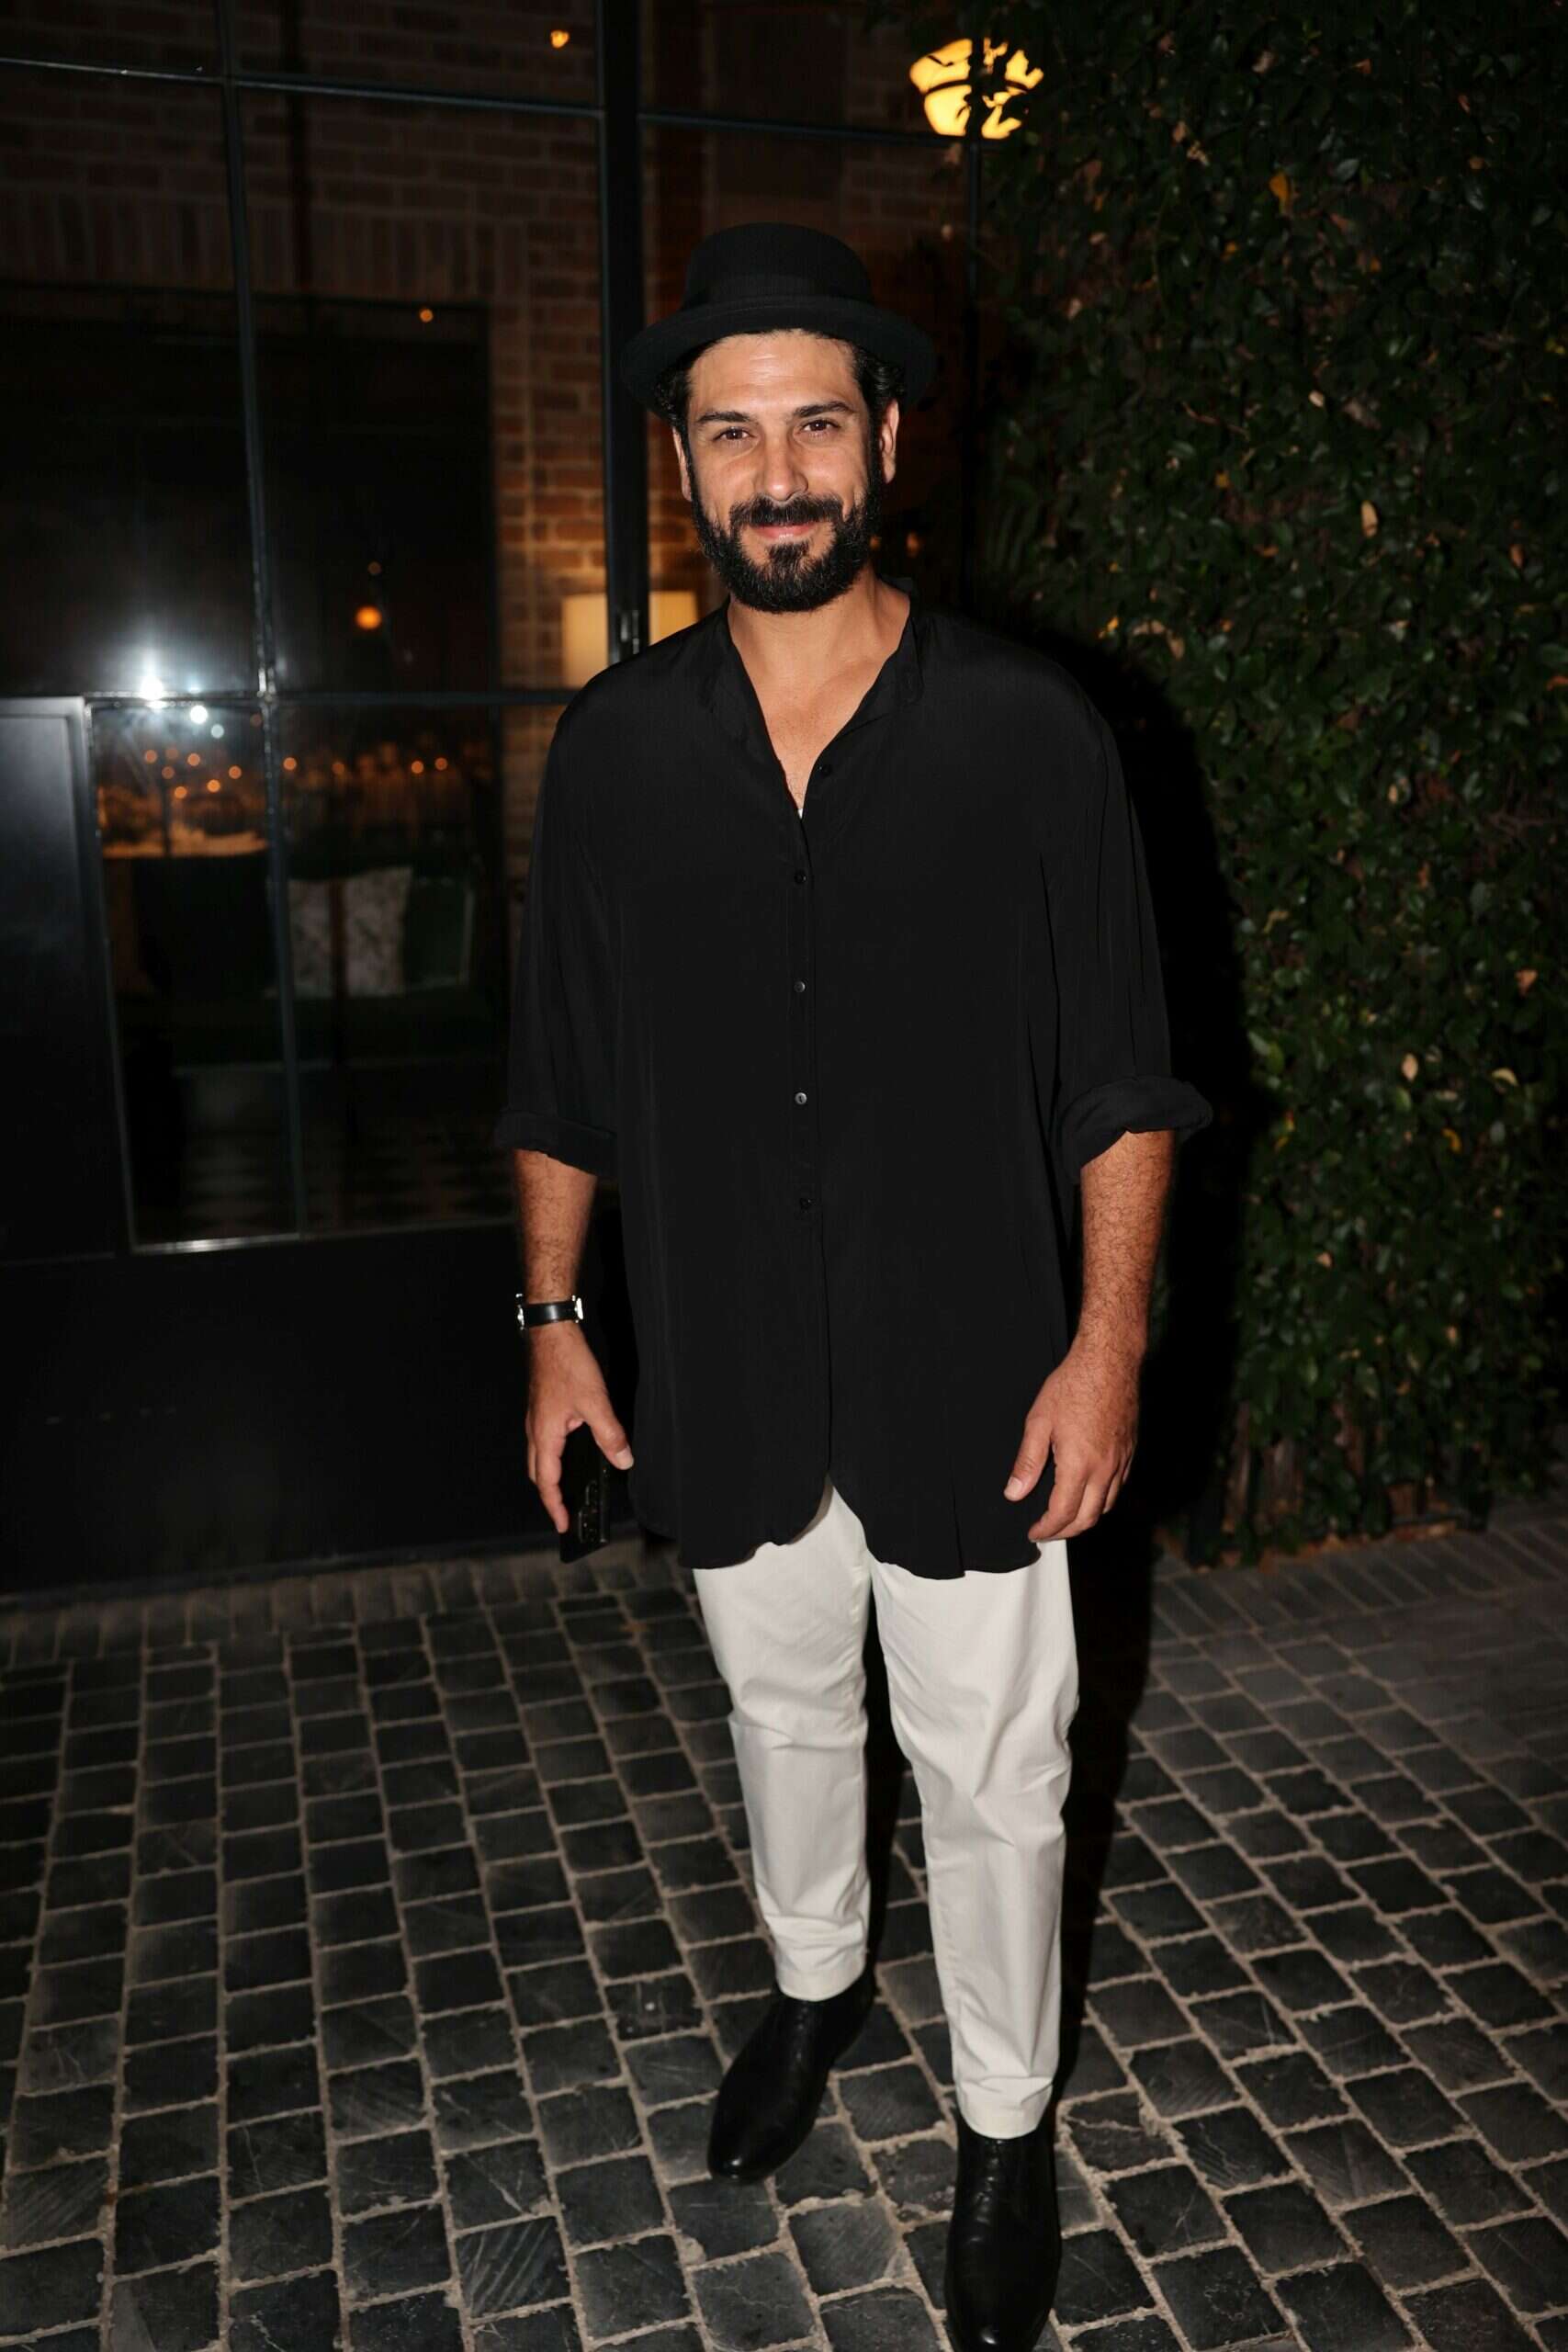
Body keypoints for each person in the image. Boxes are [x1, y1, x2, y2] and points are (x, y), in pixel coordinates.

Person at [496, 221, 1212, 2352]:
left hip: (975, 1363)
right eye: (732, 433)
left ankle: (1002, 2121)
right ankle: (812, 1987)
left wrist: (1104, 1340)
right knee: (782, 1713)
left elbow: (1120, 1078)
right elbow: (558, 1072)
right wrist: (553, 1323)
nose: (778, 471)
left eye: (815, 421)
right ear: (681, 464)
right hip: (723, 1359)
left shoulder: (1030, 732)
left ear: (885, 438)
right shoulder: (614, 752)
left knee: (995, 1771)